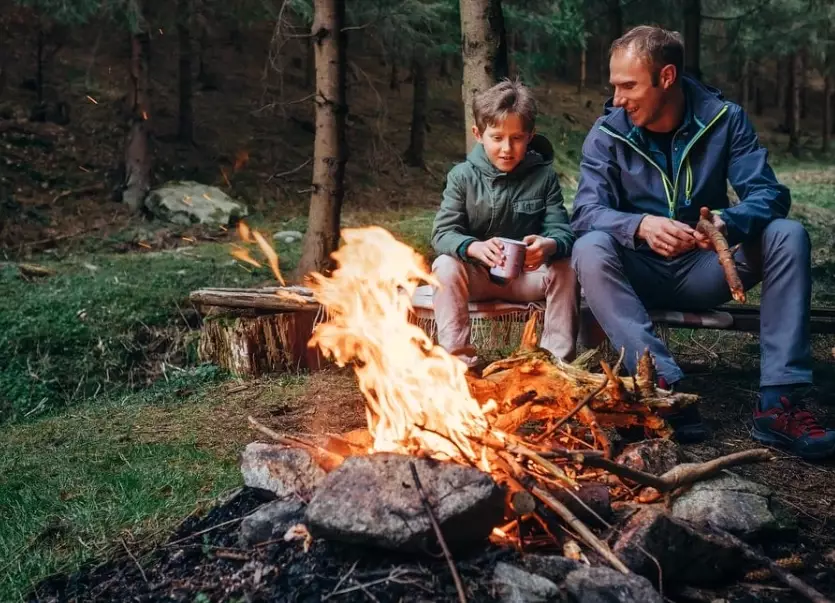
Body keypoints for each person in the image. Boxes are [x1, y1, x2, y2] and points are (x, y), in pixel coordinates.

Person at [570, 25, 834, 459]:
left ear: (667, 77)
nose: (617, 98)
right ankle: (663, 387)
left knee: (788, 235)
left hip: (707, 267)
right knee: (589, 247)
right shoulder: (606, 133)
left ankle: (779, 403)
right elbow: (585, 212)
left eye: (628, 85)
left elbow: (770, 194)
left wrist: (727, 223)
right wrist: (640, 226)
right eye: (614, 85)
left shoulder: (724, 119)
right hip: (637, 272)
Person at [430, 79, 579, 372]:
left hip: (528, 277)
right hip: (478, 278)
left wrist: (548, 245)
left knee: (566, 266)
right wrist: (473, 247)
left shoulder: (543, 176)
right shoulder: (462, 177)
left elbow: (562, 231)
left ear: (530, 135)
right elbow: (442, 233)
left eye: (517, 138)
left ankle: (556, 366)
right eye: (497, 138)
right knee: (444, 266)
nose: (507, 149)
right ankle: (458, 366)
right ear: (478, 134)